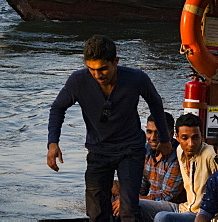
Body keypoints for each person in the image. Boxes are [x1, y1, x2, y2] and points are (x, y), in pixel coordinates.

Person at [48, 35, 172, 221]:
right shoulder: (78, 80)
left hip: (130, 149)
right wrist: (53, 143)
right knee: (96, 211)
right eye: (92, 69)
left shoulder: (136, 78)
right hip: (98, 150)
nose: (98, 75)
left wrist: (164, 139)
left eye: (103, 69)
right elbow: (58, 108)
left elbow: (155, 102)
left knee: (129, 209)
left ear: (116, 62)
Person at [146, 113, 218, 221]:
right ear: (177, 137)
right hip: (185, 207)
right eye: (185, 138)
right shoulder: (179, 150)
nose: (191, 143)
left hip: (202, 214)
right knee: (131, 204)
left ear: (202, 136)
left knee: (162, 218)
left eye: (195, 137)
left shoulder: (210, 155)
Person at [117, 112, 183, 218]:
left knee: (130, 204)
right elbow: (141, 187)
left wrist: (130, 200)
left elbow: (167, 196)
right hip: (152, 201)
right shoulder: (146, 151)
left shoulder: (177, 157)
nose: (152, 138)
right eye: (149, 132)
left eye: (158, 133)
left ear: (170, 134)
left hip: (173, 207)